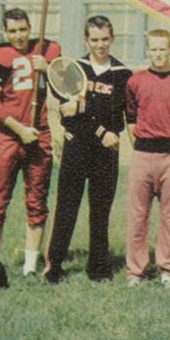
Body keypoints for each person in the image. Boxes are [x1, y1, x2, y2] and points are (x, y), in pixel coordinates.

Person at [43, 15, 130, 284]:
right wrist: (96, 125)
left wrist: (82, 109)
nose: (100, 45)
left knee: (100, 211)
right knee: (66, 208)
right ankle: (54, 266)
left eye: (105, 39)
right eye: (95, 40)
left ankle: (99, 269)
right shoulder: (73, 69)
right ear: (86, 40)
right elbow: (67, 115)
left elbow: (117, 116)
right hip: (77, 148)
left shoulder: (122, 74)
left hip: (106, 153)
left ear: (112, 38)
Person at [0, 8, 61, 277]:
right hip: (9, 135)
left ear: (30, 27)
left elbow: (66, 85)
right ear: (5, 32)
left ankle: (29, 266)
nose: (18, 36)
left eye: (22, 29)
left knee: (37, 201)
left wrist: (47, 69)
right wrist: (19, 128)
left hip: (39, 134)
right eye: (12, 31)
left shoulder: (46, 50)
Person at [124, 29, 170, 288]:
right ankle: (135, 270)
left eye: (163, 48)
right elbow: (130, 118)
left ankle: (167, 267)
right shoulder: (135, 81)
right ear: (147, 50)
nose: (158, 54)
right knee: (137, 216)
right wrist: (140, 145)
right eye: (153, 49)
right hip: (143, 155)